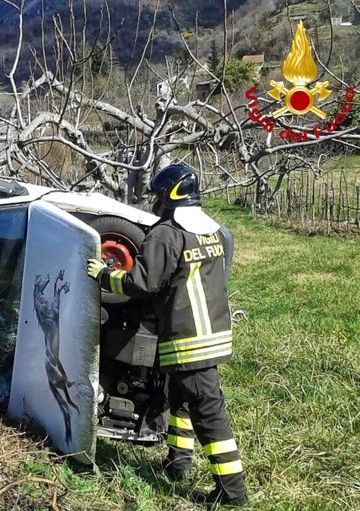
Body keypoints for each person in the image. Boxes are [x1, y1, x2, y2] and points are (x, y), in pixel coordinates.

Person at [86, 163, 248, 506]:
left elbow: (142, 283)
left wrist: (104, 275)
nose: (155, 201)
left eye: (158, 195)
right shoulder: (211, 232)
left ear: (169, 196)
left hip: (187, 339)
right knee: (180, 400)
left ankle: (232, 492)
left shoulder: (166, 234)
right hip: (213, 333)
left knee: (209, 413)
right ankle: (178, 463)